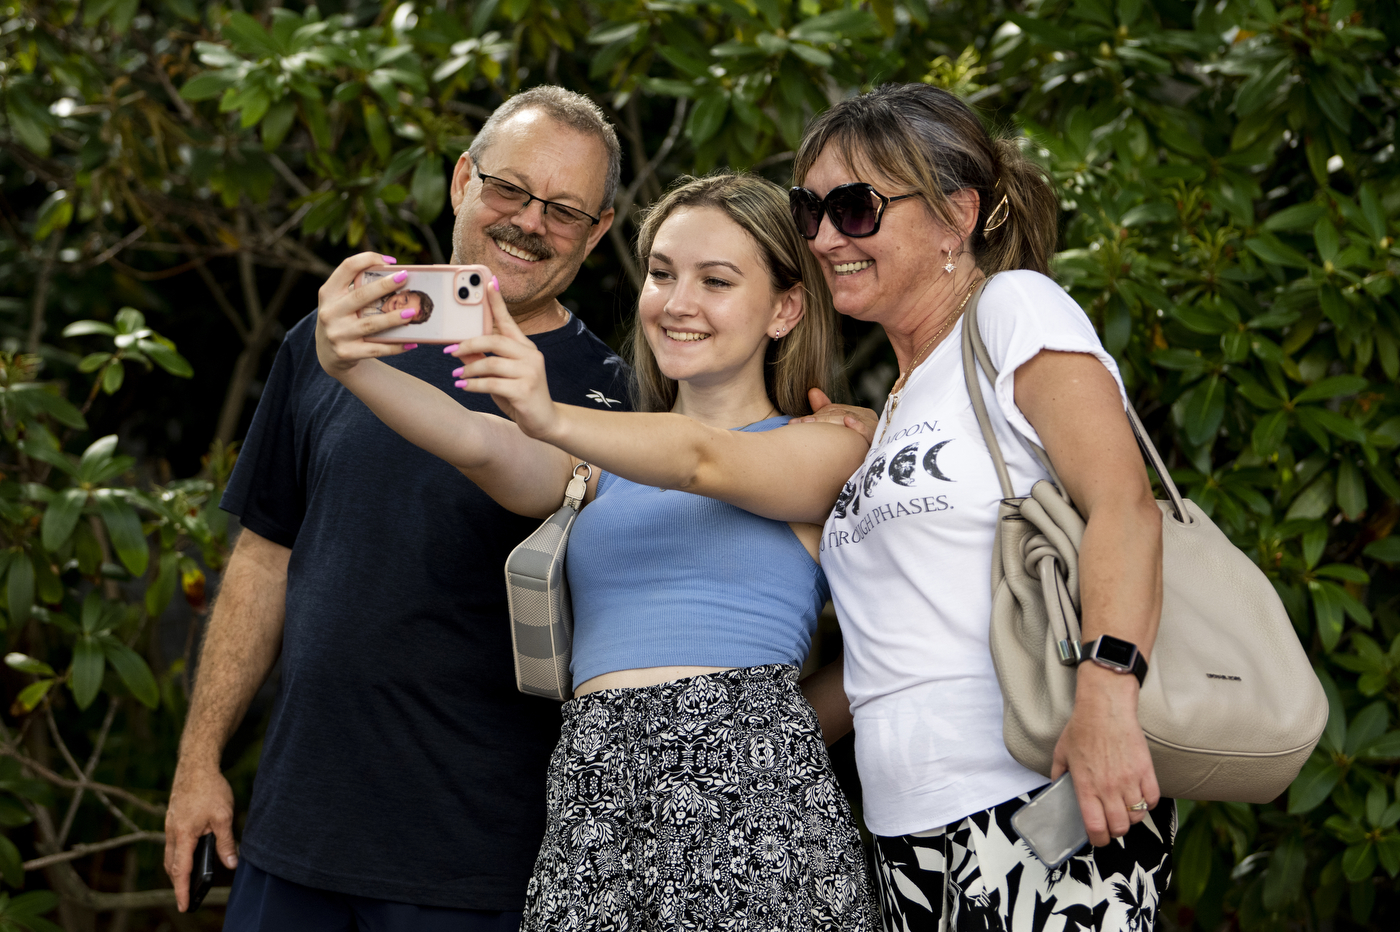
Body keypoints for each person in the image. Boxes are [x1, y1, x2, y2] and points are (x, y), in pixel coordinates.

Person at [315, 173, 879, 932]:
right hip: (594, 789)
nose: (677, 302)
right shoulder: (601, 467)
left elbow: (699, 459)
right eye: (661, 273)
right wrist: (352, 367)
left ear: (785, 308)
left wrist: (549, 413)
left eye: (716, 280)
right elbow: (480, 441)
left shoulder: (826, 447)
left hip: (750, 797)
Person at [163, 86, 636, 930]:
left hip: (479, 862)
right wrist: (199, 763)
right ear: (462, 181)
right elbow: (264, 555)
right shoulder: (333, 341)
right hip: (292, 834)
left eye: (564, 209)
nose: (530, 222)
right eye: (510, 189)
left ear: (598, 232)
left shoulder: (620, 399)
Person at [789, 83, 1175, 930]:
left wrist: (1108, 701)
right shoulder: (895, 401)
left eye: (855, 209)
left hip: (1038, 807)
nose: (823, 237)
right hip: (905, 833)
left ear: (955, 214)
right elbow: (892, 655)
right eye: (808, 209)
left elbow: (1124, 507)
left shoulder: (1011, 309)